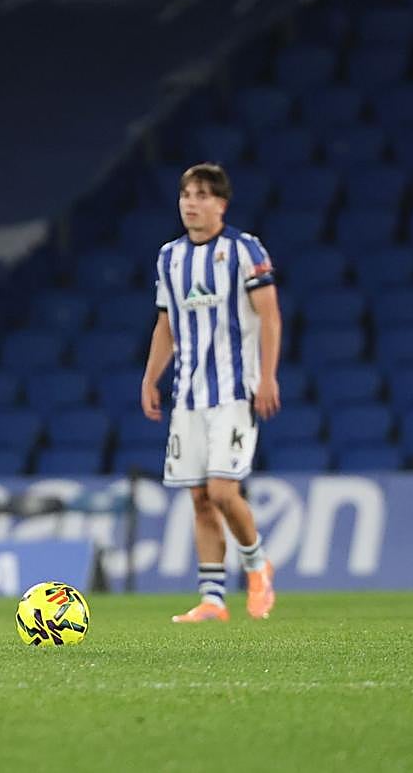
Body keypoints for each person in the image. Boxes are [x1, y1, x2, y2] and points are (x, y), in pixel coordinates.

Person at [140, 163, 281, 623]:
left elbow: (270, 316)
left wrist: (268, 376)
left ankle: (258, 565)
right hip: (188, 397)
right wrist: (150, 378)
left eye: (201, 195)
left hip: (235, 392)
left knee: (223, 491)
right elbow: (166, 325)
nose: (191, 203)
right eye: (185, 194)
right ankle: (213, 599)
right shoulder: (169, 258)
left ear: (221, 203)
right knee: (199, 498)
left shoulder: (244, 250)